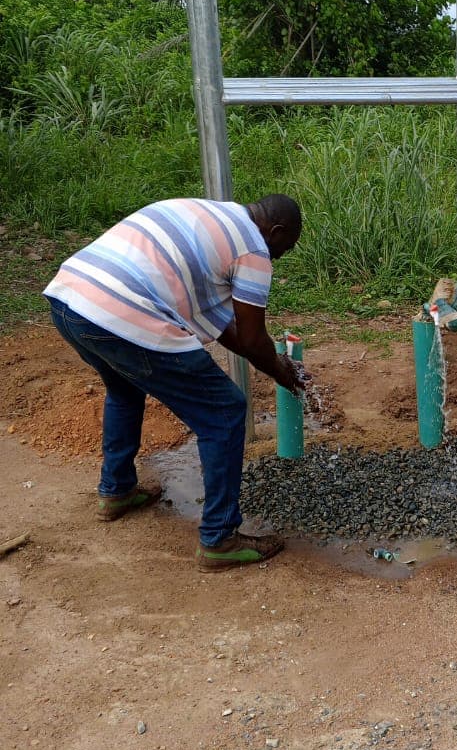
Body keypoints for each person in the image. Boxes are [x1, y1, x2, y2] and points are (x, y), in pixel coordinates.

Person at [44, 193, 304, 569]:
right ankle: (219, 538)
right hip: (121, 313)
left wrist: (276, 366)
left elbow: (224, 328)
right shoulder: (252, 251)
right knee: (225, 412)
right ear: (275, 230)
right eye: (286, 247)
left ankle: (116, 491)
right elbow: (249, 338)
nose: (282, 255)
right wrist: (282, 372)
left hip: (69, 300)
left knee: (124, 387)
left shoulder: (205, 214)